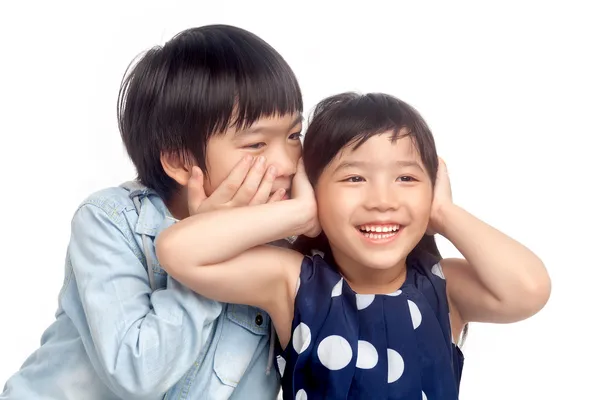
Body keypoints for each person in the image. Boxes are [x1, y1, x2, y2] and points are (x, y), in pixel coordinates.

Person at [156, 92, 552, 399]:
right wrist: (299, 213)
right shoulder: (295, 284)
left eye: (407, 179)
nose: (382, 200)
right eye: (354, 179)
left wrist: (446, 214)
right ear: (312, 188)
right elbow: (177, 251)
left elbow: (529, 289)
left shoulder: (443, 287)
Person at [1, 24, 304, 399]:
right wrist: (206, 248)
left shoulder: (285, 251)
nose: (288, 162)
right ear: (179, 160)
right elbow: (139, 373)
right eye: (257, 143)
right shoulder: (110, 220)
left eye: (294, 135)